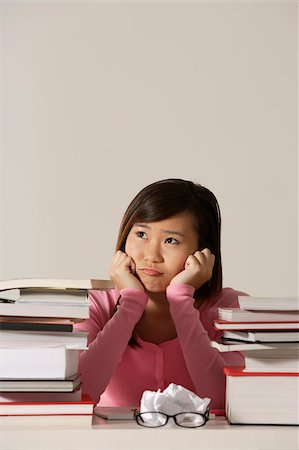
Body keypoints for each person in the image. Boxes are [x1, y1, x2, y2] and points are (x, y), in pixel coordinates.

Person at [74, 178, 245, 410]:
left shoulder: (230, 310)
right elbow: (76, 395)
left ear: (203, 253)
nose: (152, 255)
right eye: (141, 235)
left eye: (171, 240)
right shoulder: (92, 306)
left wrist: (181, 299)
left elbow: (227, 402)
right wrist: (130, 304)